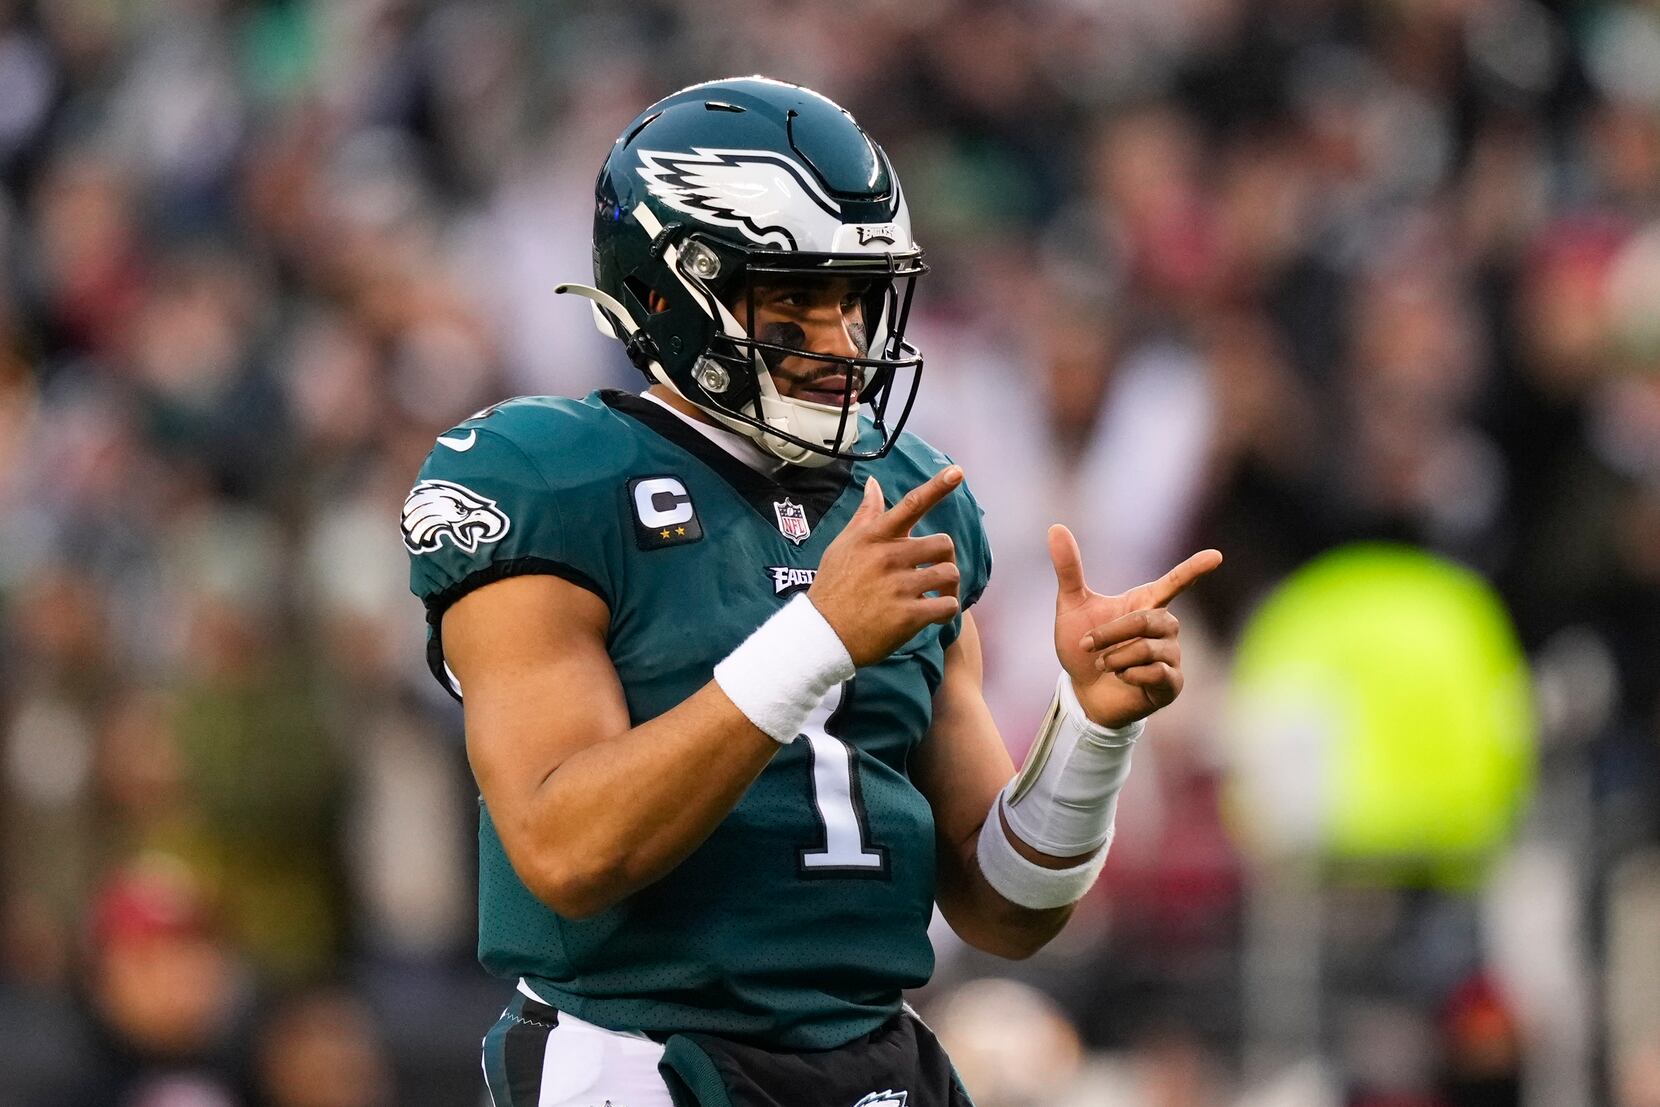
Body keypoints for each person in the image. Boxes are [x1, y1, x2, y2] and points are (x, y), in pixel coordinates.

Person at [402, 76, 1220, 1107]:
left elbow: (1004, 907)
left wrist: (1092, 734)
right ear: (671, 290)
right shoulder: (550, 478)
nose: (840, 339)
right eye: (794, 298)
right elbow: (565, 848)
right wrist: (817, 639)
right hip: (643, 1058)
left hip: (875, 1060)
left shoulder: (902, 496)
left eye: (856, 297)